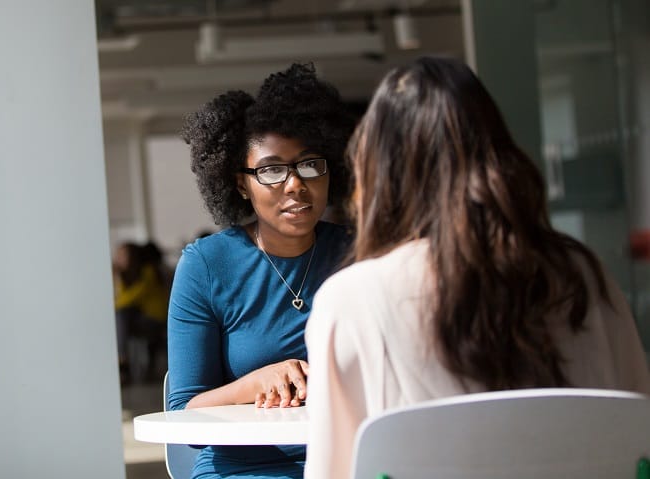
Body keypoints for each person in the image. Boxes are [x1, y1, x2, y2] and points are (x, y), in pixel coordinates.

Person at [303, 56, 650, 479]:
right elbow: (638, 439)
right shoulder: (583, 275)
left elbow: (331, 472)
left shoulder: (351, 301)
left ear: (380, 172)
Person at [168, 63, 354, 479]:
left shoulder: (357, 253)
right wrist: (257, 383)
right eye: (271, 170)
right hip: (243, 471)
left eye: (310, 165)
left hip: (348, 461)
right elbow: (184, 416)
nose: (295, 184)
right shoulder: (207, 265)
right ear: (240, 184)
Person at [112, 241, 169, 384]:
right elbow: (123, 299)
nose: (118, 259)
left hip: (155, 321)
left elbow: (130, 299)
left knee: (120, 316)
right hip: (140, 319)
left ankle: (122, 361)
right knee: (120, 317)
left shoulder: (148, 272)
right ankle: (121, 361)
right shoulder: (127, 276)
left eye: (122, 255)